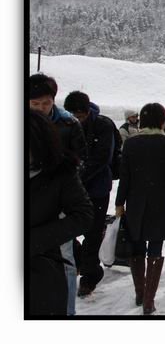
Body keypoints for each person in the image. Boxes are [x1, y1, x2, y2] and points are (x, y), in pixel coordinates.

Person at [114, 102, 165, 314]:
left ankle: (140, 292)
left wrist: (119, 202)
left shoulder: (132, 144)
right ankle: (149, 301)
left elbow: (124, 177)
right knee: (155, 248)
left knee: (137, 246)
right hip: (160, 202)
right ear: (163, 121)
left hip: (135, 202)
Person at [28, 74, 88, 314]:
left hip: (57, 208)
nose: (42, 108)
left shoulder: (68, 124)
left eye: (46, 103)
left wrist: (65, 191)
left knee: (66, 262)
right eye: (35, 103)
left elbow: (81, 160)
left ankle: (67, 311)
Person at [63, 90, 118, 298]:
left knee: (93, 232)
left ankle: (88, 276)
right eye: (73, 115)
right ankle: (83, 263)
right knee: (66, 230)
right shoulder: (63, 124)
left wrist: (78, 176)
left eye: (81, 116)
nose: (77, 120)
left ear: (88, 112)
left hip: (97, 188)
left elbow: (102, 157)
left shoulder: (102, 125)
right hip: (69, 188)